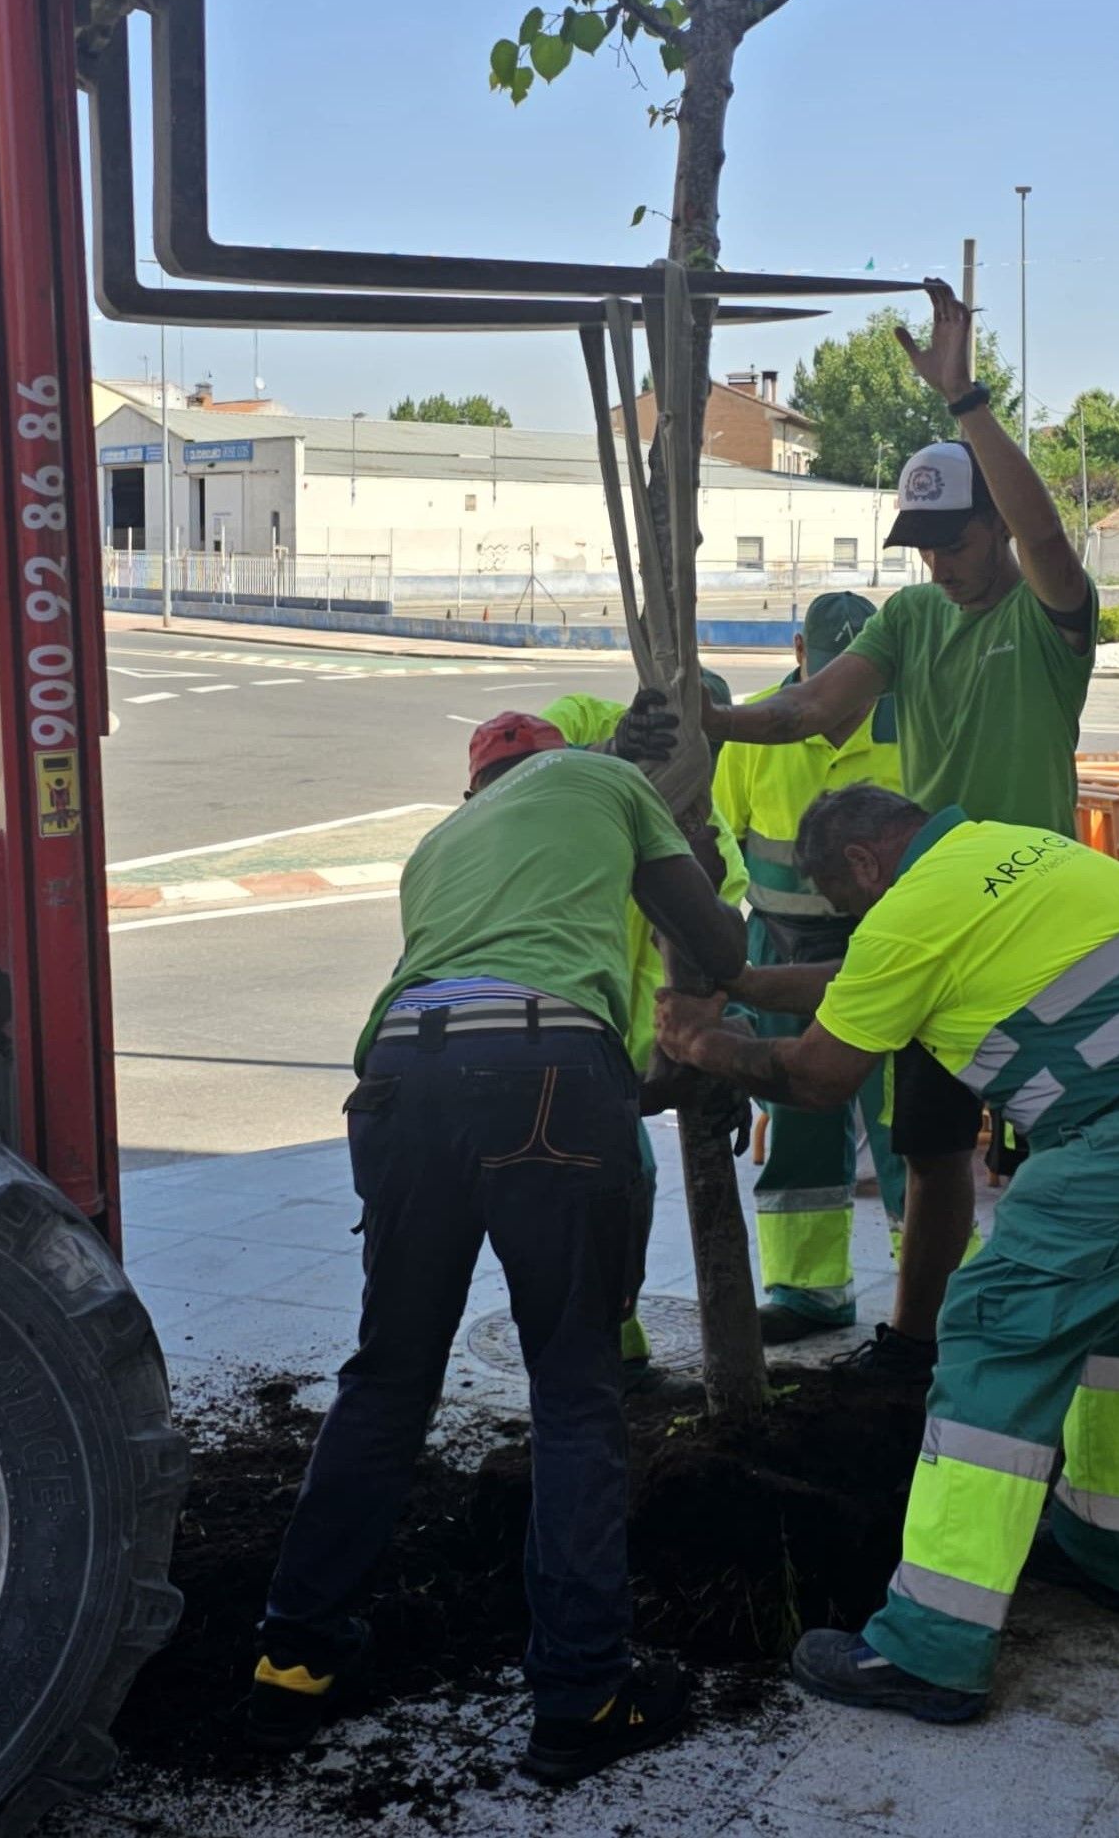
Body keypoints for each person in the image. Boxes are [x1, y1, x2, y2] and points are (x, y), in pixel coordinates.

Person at [656, 783, 1119, 1723]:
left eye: (852, 910)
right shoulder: (1010, 850)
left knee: (990, 1329)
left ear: (862, 864)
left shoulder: (909, 913)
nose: (859, 927)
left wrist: (705, 1041)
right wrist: (756, 985)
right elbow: (876, 973)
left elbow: (815, 1073)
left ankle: (932, 1646)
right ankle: (1108, 1545)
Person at [245, 713, 746, 1782]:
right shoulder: (606, 781)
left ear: (479, 787)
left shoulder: (439, 844)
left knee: (385, 1377)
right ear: (563, 756)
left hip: (398, 1076)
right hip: (552, 1072)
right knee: (572, 1390)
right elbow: (718, 943)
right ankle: (581, 1691)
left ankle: (293, 1658)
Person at [705, 278, 1098, 1383]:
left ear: (991, 528)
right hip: (931, 916)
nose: (933, 558)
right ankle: (913, 1341)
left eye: (951, 536)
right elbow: (812, 707)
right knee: (931, 1147)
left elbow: (1044, 533)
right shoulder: (912, 617)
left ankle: (1051, 1331)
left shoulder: (1046, 610)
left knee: (1053, 1147)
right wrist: (714, 717)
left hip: (1033, 915)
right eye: (917, 540)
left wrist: (966, 396)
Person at [541, 675, 749, 1391]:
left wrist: (717, 1056)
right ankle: (588, 1355)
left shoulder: (704, 830)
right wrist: (609, 753)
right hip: (548, 1025)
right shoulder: (584, 723)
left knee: (625, 1184)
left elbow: (710, 965)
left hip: (617, 1052)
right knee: (592, 1193)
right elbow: (519, 776)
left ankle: (610, 1350)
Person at [712, 592, 905, 1340]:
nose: (839, 705)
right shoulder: (754, 729)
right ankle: (808, 1291)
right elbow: (719, 843)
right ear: (799, 653)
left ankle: (932, 1300)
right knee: (796, 1120)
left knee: (903, 1130)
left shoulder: (913, 728)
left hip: (885, 949)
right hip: (781, 948)